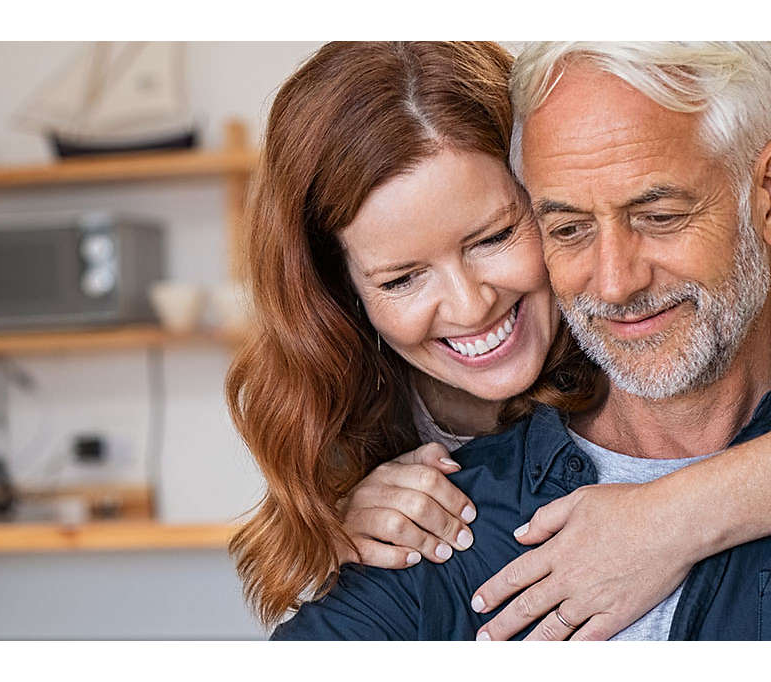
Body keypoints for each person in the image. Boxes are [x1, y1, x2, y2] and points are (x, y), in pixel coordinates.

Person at [268, 40, 771, 640]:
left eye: (659, 216)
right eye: (570, 227)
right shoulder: (422, 504)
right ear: (348, 300)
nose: (470, 305)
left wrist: (674, 516)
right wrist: (350, 519)